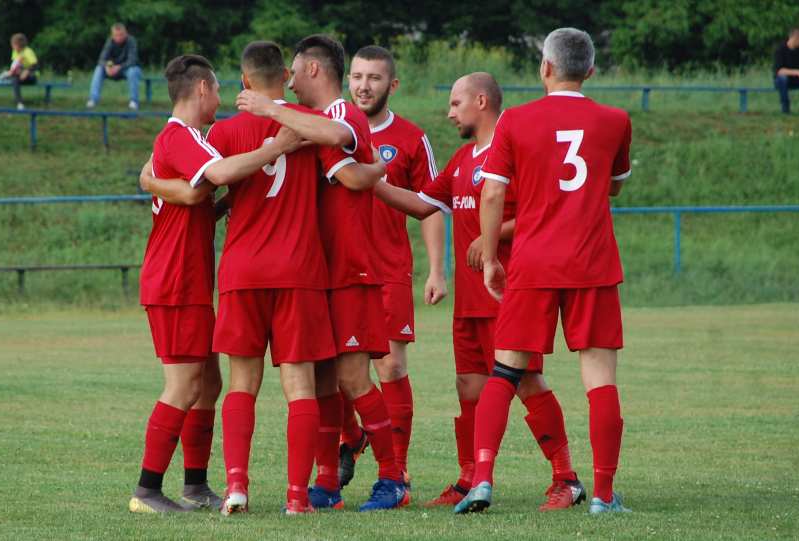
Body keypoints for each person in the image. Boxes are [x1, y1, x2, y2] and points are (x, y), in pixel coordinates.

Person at [140, 42, 385, 515]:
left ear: (245, 81)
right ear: (284, 75)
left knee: (237, 385)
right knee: (300, 386)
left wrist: (151, 182)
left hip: (242, 272)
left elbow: (210, 186)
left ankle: (235, 488)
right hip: (300, 271)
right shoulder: (306, 125)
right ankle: (298, 497)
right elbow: (343, 155)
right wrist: (374, 167)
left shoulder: (225, 132)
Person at [372, 72, 586, 511]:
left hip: (509, 293)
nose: (450, 113)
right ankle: (469, 478)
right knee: (468, 386)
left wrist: (493, 235)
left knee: (525, 380)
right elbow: (422, 204)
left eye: (456, 104)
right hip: (470, 300)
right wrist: (371, 181)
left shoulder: (516, 149)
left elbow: (544, 211)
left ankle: (567, 478)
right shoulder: (462, 158)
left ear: (482, 101)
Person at [454, 28, 632, 515]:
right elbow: (614, 186)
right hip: (592, 262)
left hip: (532, 262)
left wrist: (491, 258)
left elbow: (491, 193)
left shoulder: (517, 121)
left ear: (545, 68)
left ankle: (482, 481)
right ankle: (603, 495)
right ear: (590, 71)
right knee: (600, 379)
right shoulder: (615, 120)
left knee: (505, 369)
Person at [237, 34, 407, 512]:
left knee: (355, 378)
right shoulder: (313, 119)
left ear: (312, 70)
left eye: (292, 73)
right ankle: (328, 482)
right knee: (324, 383)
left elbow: (349, 171)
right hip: (313, 272)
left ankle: (394, 479)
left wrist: (269, 109)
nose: (287, 82)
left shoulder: (339, 115)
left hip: (349, 269)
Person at [131, 54, 291, 514]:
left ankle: (195, 486)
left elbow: (198, 196)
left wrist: (221, 203)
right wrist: (275, 147)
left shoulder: (189, 140)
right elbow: (216, 176)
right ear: (202, 89)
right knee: (183, 385)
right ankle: (146, 490)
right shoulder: (179, 137)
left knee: (208, 384)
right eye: (218, 89)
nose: (221, 99)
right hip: (174, 282)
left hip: (191, 281)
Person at [336, 44, 447, 492]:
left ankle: (396, 469)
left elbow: (433, 205)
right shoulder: (332, 130)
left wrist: (438, 269)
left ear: (392, 85)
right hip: (339, 271)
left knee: (392, 369)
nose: (364, 85)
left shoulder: (411, 137)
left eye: (374, 78)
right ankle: (351, 437)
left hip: (388, 270)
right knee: (334, 368)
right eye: (358, 76)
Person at [87, 23, 142, 110]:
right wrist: (107, 67)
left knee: (133, 71)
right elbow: (101, 59)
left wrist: (119, 67)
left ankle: (134, 101)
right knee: (99, 69)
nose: (119, 37)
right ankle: (93, 99)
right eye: (116, 35)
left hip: (128, 69)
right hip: (112, 70)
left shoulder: (131, 41)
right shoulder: (110, 42)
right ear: (112, 35)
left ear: (126, 33)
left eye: (121, 35)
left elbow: (132, 60)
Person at [0, 33, 38, 110]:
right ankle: (19, 102)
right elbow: (15, 66)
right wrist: (8, 73)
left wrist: (27, 71)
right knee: (14, 79)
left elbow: (35, 65)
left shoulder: (28, 51)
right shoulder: (15, 52)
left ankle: (19, 102)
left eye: (13, 44)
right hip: (19, 76)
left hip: (31, 76)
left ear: (18, 44)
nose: (12, 46)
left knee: (15, 79)